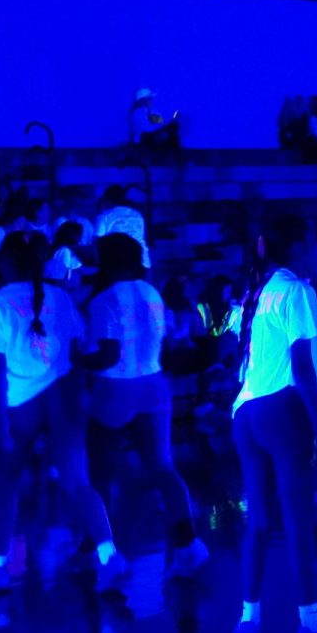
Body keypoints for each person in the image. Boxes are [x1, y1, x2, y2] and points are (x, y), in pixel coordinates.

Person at [0, 231, 125, 593]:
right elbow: (73, 353)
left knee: (6, 485)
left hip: (20, 403)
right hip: (62, 395)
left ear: (5, 264)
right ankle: (110, 555)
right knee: (78, 482)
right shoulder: (58, 297)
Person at [229, 214, 317, 633]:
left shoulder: (257, 289)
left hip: (246, 413)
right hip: (282, 410)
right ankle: (311, 627)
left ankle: (248, 623)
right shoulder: (296, 291)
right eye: (314, 241)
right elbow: (301, 366)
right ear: (296, 246)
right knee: (298, 521)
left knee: (258, 520)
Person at [86, 234, 209, 577]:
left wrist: (77, 358)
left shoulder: (104, 299)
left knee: (100, 475)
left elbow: (109, 355)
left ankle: (102, 550)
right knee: (163, 468)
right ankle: (189, 544)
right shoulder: (152, 293)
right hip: (154, 387)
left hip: (116, 390)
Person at [95, 185, 151, 269]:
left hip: (120, 263)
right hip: (142, 260)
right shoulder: (137, 214)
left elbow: (97, 241)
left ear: (107, 200)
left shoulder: (105, 216)